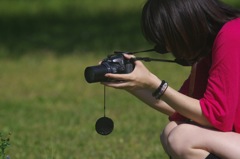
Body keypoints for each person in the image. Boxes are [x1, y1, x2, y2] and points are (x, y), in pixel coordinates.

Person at [102, 0, 240, 158]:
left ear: (182, 24)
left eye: (165, 39)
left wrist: (154, 84)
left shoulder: (232, 34)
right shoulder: (211, 48)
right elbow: (185, 110)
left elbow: (215, 116)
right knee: (172, 131)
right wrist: (131, 83)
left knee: (182, 137)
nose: (167, 49)